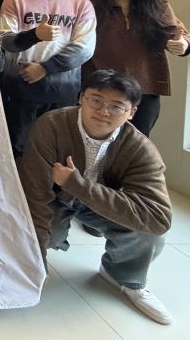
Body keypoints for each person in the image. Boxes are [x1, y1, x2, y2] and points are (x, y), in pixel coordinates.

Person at [18, 69, 173, 325]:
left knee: (148, 234)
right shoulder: (52, 125)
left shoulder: (140, 148)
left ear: (132, 112)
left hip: (100, 200)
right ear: (81, 98)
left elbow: (158, 218)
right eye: (96, 100)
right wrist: (36, 263)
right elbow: (35, 195)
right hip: (56, 198)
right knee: (44, 230)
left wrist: (78, 185)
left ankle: (124, 276)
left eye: (116, 106)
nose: (103, 111)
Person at [83, 0, 190, 136]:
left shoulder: (158, 6)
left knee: (136, 143)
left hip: (144, 90)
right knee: (96, 141)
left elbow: (181, 36)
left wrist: (183, 45)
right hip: (100, 89)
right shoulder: (90, 5)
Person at [0, 0, 96, 158]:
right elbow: (6, 41)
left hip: (63, 88)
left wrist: (45, 68)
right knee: (19, 147)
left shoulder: (81, 4)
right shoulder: (14, 0)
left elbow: (84, 48)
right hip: (21, 86)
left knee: (59, 148)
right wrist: (35, 35)